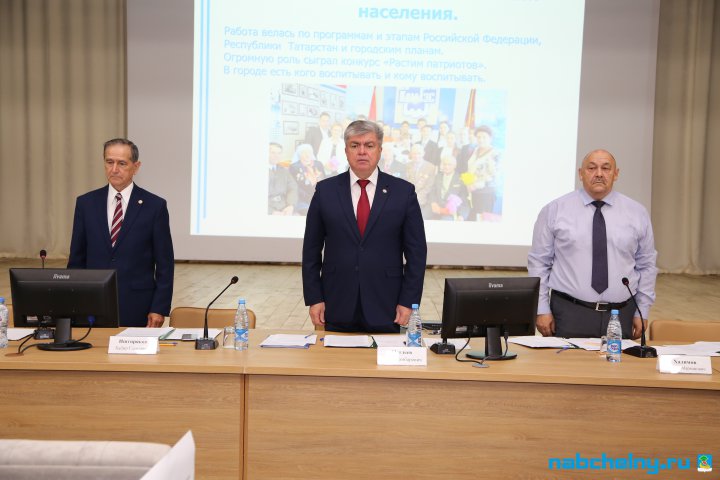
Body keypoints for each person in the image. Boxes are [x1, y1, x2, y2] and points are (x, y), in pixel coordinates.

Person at [302, 120, 427, 333]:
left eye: (369, 145)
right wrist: (314, 298)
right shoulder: (325, 191)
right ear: (346, 151)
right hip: (336, 302)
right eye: (355, 145)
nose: (362, 151)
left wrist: (409, 301)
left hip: (387, 304)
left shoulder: (403, 192)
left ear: (380, 150)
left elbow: (416, 253)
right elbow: (311, 251)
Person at [527, 149, 657, 339]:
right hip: (570, 313)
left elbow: (647, 265)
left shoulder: (637, 213)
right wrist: (541, 309)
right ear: (581, 173)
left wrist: (642, 309)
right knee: (568, 360)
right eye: (591, 168)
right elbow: (539, 263)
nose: (599, 174)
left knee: (618, 360)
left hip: (621, 314)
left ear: (616, 174)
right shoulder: (554, 210)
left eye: (606, 168)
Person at [68, 138, 174, 327]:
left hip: (137, 306)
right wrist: (73, 304)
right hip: (92, 304)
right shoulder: (86, 203)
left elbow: (165, 264)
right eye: (109, 162)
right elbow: (77, 260)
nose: (114, 169)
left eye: (122, 163)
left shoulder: (154, 206)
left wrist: (159, 307)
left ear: (136, 166)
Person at [290, 144, 325, 215]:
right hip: (303, 198)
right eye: (304, 152)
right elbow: (295, 186)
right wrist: (310, 197)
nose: (307, 155)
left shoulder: (318, 164)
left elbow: (325, 181)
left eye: (309, 152)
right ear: (299, 155)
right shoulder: (294, 167)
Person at [268, 142, 297, 215]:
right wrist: (271, 212)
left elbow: (293, 188)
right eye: (273, 153)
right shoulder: (256, 171)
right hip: (267, 209)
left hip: (284, 207)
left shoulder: (284, 170)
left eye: (279, 153)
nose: (276, 156)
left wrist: (290, 205)